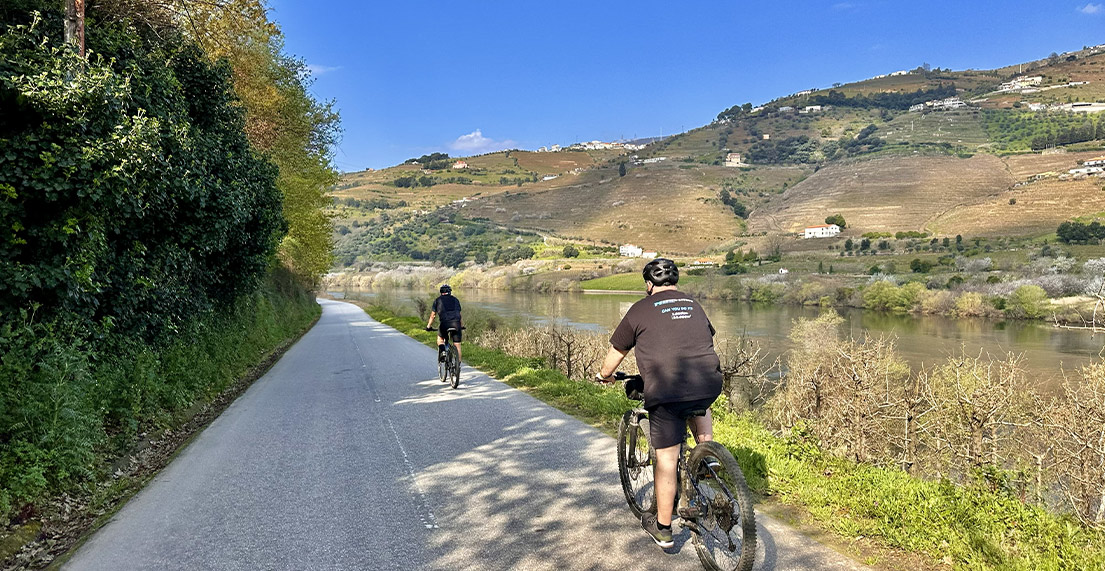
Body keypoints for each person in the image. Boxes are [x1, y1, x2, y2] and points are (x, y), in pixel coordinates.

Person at [596, 258, 723, 549]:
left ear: (648, 284)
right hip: (709, 381)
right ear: (675, 282)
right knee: (700, 400)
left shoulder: (640, 309)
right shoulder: (693, 304)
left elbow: (617, 352)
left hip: (666, 389)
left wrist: (604, 375)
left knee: (666, 459)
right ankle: (706, 453)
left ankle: (664, 528)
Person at [426, 284, 463, 365]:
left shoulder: (437, 300)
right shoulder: (455, 300)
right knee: (457, 345)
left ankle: (443, 351)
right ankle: (458, 366)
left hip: (445, 324)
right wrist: (461, 325)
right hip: (456, 324)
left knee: (440, 339)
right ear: (450, 292)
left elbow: (433, 315)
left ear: (441, 292)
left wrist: (428, 326)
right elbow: (459, 315)